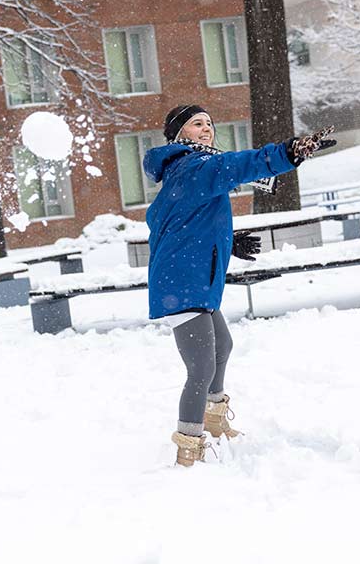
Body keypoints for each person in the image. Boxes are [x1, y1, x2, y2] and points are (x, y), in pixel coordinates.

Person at [143, 105, 335, 467]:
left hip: (192, 279)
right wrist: (289, 151)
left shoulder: (183, 169)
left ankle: (214, 419)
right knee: (201, 367)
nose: (206, 128)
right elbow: (240, 164)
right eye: (196, 123)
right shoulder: (194, 165)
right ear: (178, 134)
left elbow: (180, 225)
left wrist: (228, 241)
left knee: (222, 346)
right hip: (183, 285)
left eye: (209, 123)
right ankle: (188, 448)